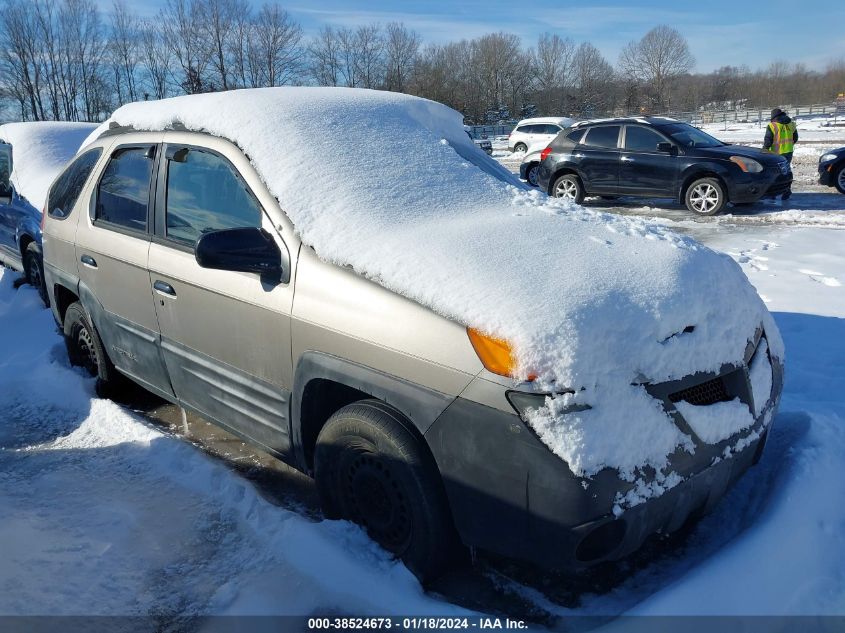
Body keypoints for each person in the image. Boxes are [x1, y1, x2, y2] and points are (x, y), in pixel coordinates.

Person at [763, 107, 798, 200]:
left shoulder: (772, 125)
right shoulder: (791, 123)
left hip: (776, 153)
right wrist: (789, 145)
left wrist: (764, 150)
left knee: (774, 173)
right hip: (789, 152)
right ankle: (787, 190)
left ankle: (773, 193)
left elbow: (768, 140)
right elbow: (796, 137)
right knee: (786, 171)